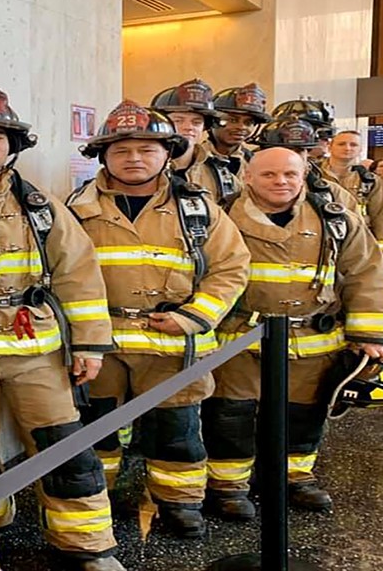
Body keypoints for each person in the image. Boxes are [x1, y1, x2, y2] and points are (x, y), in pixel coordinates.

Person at [0, 82, 123, 570]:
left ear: (14, 145)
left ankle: (87, 545)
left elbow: (78, 273)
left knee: (64, 446)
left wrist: (90, 346)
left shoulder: (39, 204)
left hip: (35, 349)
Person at [67, 100, 250, 538]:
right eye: (122, 150)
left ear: (167, 154)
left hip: (172, 348)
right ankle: (98, 500)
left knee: (177, 432)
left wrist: (193, 317)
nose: (135, 159)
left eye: (147, 150)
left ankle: (180, 504)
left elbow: (232, 266)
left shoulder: (199, 208)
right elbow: (62, 274)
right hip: (102, 348)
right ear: (104, 155)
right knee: (98, 434)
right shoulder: (76, 210)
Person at [205, 144, 383, 518]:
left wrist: (368, 334)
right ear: (248, 177)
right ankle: (227, 485)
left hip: (313, 338)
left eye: (290, 174)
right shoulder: (220, 216)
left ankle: (295, 476)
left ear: (304, 174)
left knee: (305, 412)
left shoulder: (336, 219)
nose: (281, 182)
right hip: (240, 337)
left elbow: (365, 273)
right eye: (269, 174)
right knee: (230, 414)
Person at [320, 130, 383, 266]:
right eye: (341, 144)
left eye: (353, 145)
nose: (347, 148)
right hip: (319, 241)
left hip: (357, 243)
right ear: (330, 146)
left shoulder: (370, 181)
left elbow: (382, 217)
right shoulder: (313, 175)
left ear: (360, 149)